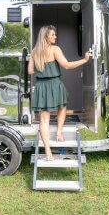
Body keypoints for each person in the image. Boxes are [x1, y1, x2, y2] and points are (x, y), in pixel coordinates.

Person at [28, 25, 90, 161]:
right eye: (52, 35)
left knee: (44, 121)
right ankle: (59, 133)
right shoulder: (55, 49)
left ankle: (48, 153)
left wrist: (39, 64)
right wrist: (84, 60)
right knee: (62, 107)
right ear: (46, 36)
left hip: (41, 86)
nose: (55, 37)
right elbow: (67, 65)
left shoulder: (34, 51)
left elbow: (30, 71)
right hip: (55, 84)